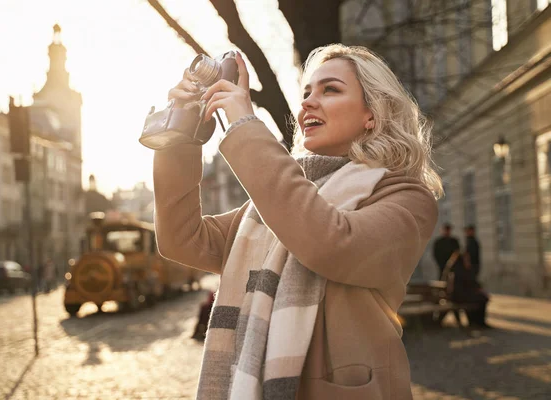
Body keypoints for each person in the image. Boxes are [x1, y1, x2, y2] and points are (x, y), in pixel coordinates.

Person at [153, 45, 441, 399]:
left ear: (373, 114)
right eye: (306, 92)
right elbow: (181, 237)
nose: (307, 103)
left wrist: (245, 126)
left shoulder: (407, 198)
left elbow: (331, 242)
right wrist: (180, 135)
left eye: (330, 89)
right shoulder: (276, 202)